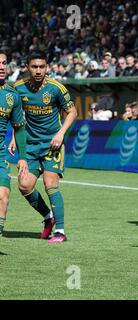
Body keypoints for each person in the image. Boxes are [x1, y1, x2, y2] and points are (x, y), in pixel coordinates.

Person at [9, 50, 78, 243]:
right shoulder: (18, 88)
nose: (38, 71)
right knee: (24, 185)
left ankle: (61, 231)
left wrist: (60, 133)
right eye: (34, 67)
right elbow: (16, 115)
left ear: (47, 68)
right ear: (27, 68)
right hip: (30, 145)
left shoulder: (56, 88)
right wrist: (15, 138)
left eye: (42, 67)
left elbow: (72, 112)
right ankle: (48, 217)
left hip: (52, 145)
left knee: (50, 184)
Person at [0, 50, 29, 236]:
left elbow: (19, 128)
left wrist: (23, 157)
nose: (1, 67)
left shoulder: (12, 95)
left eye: (4, 63)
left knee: (3, 197)